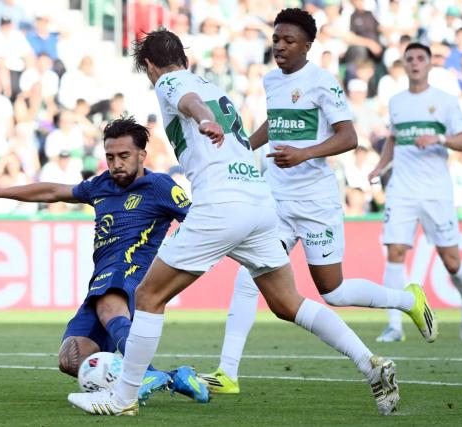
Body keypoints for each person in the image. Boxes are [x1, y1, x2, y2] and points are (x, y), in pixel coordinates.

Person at [66, 27, 412, 418]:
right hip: (259, 203)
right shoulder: (213, 85)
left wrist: (203, 120)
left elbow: (190, 102)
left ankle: (122, 398)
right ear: (186, 56)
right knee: (288, 303)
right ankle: (371, 364)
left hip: (221, 204)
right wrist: (207, 116)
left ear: (149, 65)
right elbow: (201, 101)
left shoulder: (169, 82)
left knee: (147, 298)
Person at [199, 9, 436, 396]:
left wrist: (304, 153)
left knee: (333, 291)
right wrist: (239, 147)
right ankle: (227, 373)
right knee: (248, 275)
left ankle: (407, 299)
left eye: (288, 41)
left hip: (315, 202)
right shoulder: (271, 80)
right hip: (275, 198)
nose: (279, 46)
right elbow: (275, 124)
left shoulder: (323, 83)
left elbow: (349, 137)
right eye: (276, 39)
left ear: (308, 46)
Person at [0, 117, 208, 404]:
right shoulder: (100, 185)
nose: (116, 164)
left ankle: (142, 379)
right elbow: (52, 191)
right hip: (102, 276)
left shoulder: (160, 185)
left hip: (132, 272)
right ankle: (172, 377)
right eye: (110, 157)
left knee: (110, 307)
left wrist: (172, 259)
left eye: (124, 156)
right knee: (72, 358)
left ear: (141, 155)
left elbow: (200, 222)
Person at [367, 42, 462, 342]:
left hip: (435, 191)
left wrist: (439, 138)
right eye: (410, 59)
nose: (415, 63)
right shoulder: (397, 102)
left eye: (420, 59)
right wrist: (380, 166)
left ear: (429, 64)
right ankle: (394, 325)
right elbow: (392, 138)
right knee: (395, 251)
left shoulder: (445, 101)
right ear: (404, 65)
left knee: (451, 260)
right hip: (402, 188)